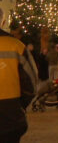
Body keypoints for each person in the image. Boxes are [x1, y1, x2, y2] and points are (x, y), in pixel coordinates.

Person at [0, 8, 37, 143]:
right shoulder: (16, 46)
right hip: (10, 115)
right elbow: (32, 82)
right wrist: (20, 104)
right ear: (3, 22)